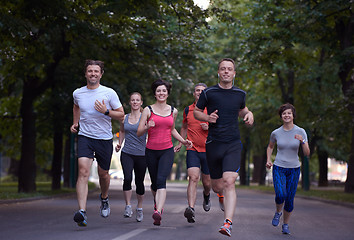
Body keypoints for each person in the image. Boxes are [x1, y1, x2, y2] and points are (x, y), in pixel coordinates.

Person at [193, 58, 254, 237]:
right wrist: (207, 118)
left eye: (229, 69)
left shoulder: (240, 94)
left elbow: (243, 110)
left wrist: (249, 115)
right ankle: (219, 196)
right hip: (213, 144)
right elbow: (197, 111)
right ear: (218, 73)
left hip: (233, 143)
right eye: (223, 69)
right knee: (217, 186)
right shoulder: (209, 93)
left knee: (229, 181)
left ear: (234, 73)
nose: (226, 72)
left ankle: (228, 223)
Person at [70, 59, 125, 227]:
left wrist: (106, 111)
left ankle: (104, 197)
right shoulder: (78, 93)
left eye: (96, 71)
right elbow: (76, 107)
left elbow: (122, 114)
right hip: (86, 136)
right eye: (90, 71)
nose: (93, 74)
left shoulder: (109, 93)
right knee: (83, 172)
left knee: (103, 174)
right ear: (85, 73)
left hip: (104, 138)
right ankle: (82, 211)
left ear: (101, 74)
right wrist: (75, 122)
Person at [137, 79, 192, 226]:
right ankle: (157, 205)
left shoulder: (173, 111)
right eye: (158, 91)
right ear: (155, 93)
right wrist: (147, 126)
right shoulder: (148, 110)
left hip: (166, 150)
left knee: (161, 180)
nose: (161, 93)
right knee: (155, 183)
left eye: (164, 91)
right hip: (151, 151)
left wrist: (183, 141)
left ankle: (158, 211)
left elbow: (172, 129)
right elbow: (138, 132)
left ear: (167, 93)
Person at [266, 103, 310, 235]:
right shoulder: (276, 133)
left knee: (290, 199)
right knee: (280, 194)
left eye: (289, 113)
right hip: (279, 167)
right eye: (284, 113)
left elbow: (307, 153)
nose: (286, 115)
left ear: (293, 115)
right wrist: (268, 159)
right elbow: (270, 147)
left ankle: (285, 224)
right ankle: (278, 212)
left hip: (294, 169)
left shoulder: (301, 131)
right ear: (281, 116)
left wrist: (303, 141)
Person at [174, 83, 212, 224]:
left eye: (203, 91)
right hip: (192, 148)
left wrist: (209, 126)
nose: (200, 93)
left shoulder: (212, 109)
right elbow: (184, 127)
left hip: (209, 151)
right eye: (197, 90)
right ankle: (191, 208)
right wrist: (181, 142)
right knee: (193, 177)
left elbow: (220, 128)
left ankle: (207, 195)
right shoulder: (187, 110)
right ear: (194, 93)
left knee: (207, 183)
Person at [115, 92, 147, 222]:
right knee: (127, 178)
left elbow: (152, 131)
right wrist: (119, 144)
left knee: (139, 182)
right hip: (127, 152)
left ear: (141, 103)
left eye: (137, 100)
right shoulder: (125, 117)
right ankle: (128, 206)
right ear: (130, 102)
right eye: (132, 100)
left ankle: (139, 208)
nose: (135, 102)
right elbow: (122, 131)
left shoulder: (145, 118)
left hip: (142, 154)